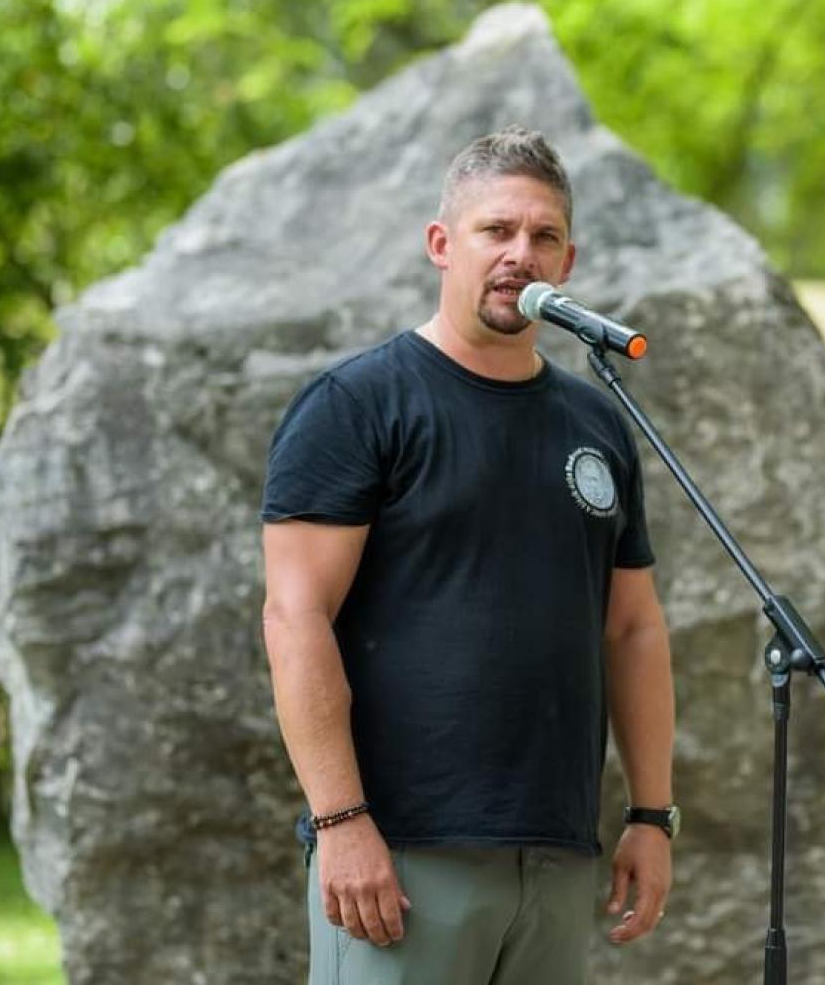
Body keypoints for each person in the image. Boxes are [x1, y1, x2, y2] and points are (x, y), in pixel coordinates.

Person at [260, 127, 677, 984]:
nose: (520, 255)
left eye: (543, 237)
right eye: (497, 231)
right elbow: (294, 616)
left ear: (568, 262)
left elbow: (632, 628)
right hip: (402, 858)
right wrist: (340, 822)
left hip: (558, 856)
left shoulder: (597, 423)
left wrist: (651, 814)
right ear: (442, 246)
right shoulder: (357, 405)